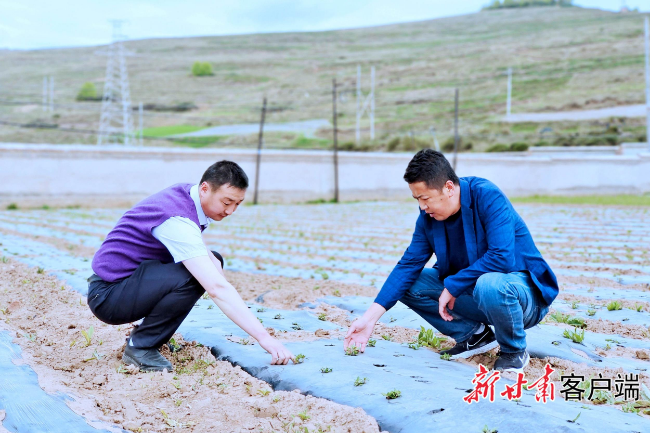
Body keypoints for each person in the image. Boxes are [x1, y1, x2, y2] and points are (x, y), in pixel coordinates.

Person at [344, 149, 558, 372]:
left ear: (448, 187)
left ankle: (514, 351)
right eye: (417, 199)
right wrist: (369, 319)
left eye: (425, 198)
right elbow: (408, 264)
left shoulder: (487, 196)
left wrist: (453, 285)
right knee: (409, 282)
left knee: (491, 284)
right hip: (478, 295)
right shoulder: (428, 217)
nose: (422, 207)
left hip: (521, 299)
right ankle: (474, 336)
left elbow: (501, 257)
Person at [88, 160, 295, 371]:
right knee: (194, 276)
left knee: (213, 261)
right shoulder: (176, 218)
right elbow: (215, 288)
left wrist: (226, 292)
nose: (231, 210)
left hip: (128, 283)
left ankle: (148, 337)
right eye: (227, 202)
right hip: (108, 296)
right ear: (205, 188)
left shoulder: (187, 195)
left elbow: (211, 265)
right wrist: (264, 338)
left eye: (237, 204)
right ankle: (140, 347)